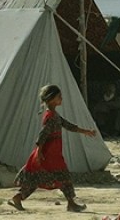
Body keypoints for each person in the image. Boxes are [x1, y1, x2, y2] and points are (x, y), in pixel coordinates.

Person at [9, 84, 97, 212]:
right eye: (59, 96)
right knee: (60, 176)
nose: (61, 99)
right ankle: (71, 203)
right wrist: (39, 152)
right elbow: (43, 134)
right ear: (51, 99)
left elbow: (67, 125)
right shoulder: (50, 117)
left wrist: (85, 131)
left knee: (41, 178)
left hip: (53, 152)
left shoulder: (54, 115)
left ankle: (19, 197)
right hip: (49, 153)